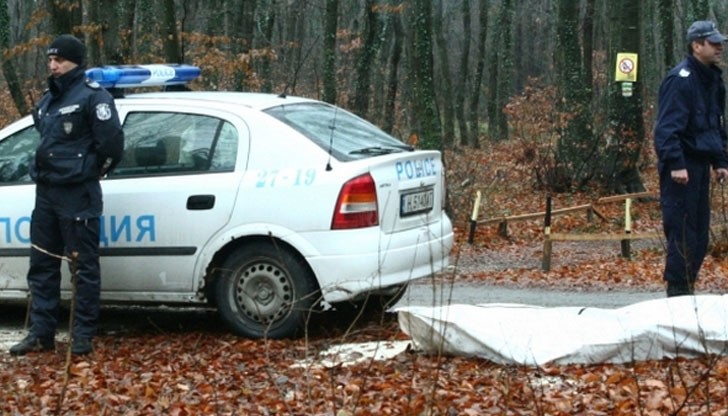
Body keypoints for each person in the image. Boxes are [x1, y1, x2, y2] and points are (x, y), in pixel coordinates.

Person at [9, 35, 124, 356]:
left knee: (82, 268)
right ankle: (41, 333)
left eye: (58, 60)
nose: (53, 65)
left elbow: (112, 147)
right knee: (42, 265)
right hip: (46, 194)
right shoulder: (49, 99)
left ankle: (82, 336)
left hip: (78, 194)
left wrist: (88, 171)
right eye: (50, 60)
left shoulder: (94, 98)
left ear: (75, 61)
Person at [654, 20, 728, 297]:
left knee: (699, 236)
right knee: (682, 233)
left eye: (720, 42)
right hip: (680, 167)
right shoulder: (680, 79)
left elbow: (715, 124)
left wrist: (720, 160)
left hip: (699, 165)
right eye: (713, 43)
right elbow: (666, 129)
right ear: (697, 46)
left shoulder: (713, 80)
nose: (719, 47)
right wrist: (675, 163)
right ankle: (678, 295)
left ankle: (688, 290)